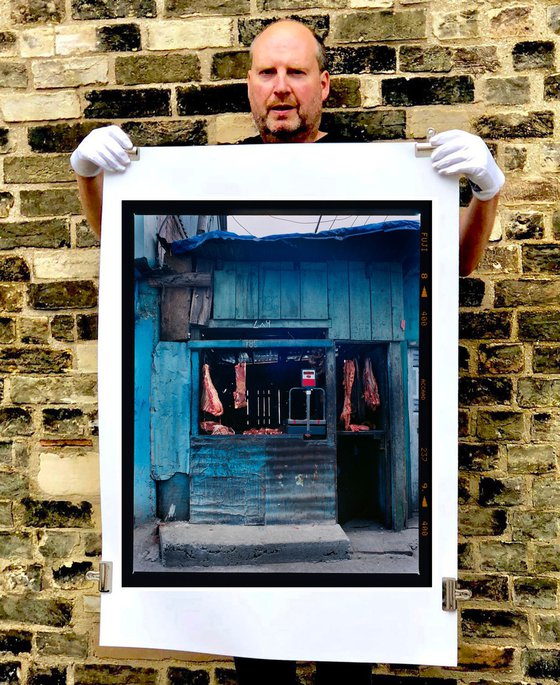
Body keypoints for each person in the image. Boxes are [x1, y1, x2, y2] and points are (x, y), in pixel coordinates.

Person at [70, 18, 505, 685]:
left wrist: (486, 190)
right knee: (260, 674)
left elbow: (460, 263)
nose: (282, 88)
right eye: (268, 73)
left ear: (323, 85)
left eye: (296, 73)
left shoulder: (379, 172)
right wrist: (92, 181)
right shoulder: (205, 177)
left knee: (347, 675)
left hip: (354, 608)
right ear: (249, 85)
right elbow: (115, 245)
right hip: (254, 607)